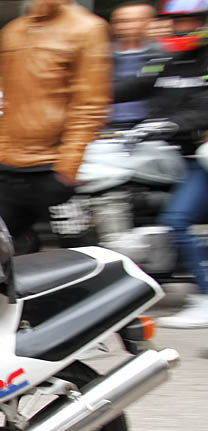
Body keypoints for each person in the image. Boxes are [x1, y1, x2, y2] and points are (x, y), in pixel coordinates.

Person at [0, 0, 111, 254]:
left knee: (80, 254)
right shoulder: (12, 31)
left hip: (53, 167)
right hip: (6, 167)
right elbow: (4, 97)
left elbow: (90, 104)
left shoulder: (87, 28)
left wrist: (68, 167)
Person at [114, 0, 208, 327]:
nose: (177, 28)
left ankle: (204, 296)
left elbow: (201, 108)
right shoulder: (166, 59)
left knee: (178, 219)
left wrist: (166, 124)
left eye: (185, 21)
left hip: (200, 153)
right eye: (173, 22)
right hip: (171, 151)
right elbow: (136, 85)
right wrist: (81, 94)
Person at [110, 1, 161, 126]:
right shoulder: (102, 54)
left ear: (151, 22)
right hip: (107, 126)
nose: (124, 26)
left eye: (133, 20)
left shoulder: (162, 53)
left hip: (152, 124)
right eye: (119, 21)